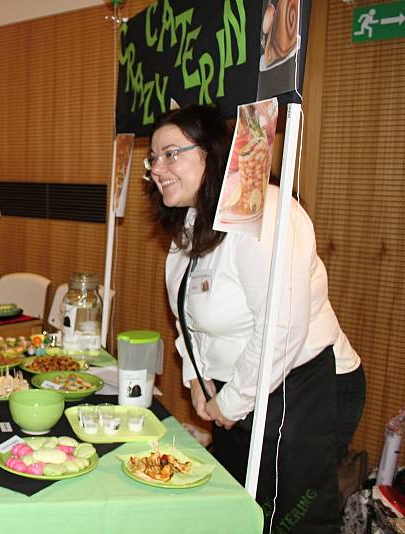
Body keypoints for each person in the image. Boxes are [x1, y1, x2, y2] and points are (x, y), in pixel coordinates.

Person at [144, 105, 364, 533]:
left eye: (171, 154)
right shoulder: (191, 222)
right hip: (240, 390)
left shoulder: (267, 212)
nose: (157, 168)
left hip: (302, 384)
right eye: (153, 158)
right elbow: (185, 316)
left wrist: (229, 402)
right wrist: (196, 377)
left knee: (291, 517)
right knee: (239, 506)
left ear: (213, 153)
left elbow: (281, 328)